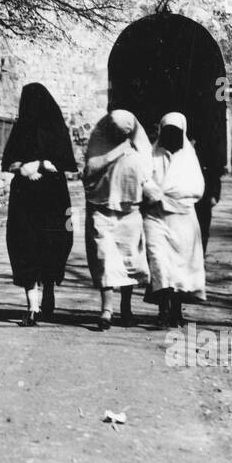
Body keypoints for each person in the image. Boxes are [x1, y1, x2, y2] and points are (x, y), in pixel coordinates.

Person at [2, 83, 77, 326]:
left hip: (51, 196)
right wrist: (22, 167)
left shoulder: (56, 130)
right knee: (25, 245)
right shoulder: (20, 129)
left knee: (53, 241)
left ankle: (49, 290)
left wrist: (40, 163)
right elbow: (8, 162)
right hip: (26, 196)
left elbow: (61, 163)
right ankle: (32, 307)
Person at [82, 109, 152, 331]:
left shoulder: (141, 150)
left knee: (128, 262)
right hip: (101, 210)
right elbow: (89, 171)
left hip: (130, 213)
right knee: (105, 260)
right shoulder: (99, 144)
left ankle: (126, 308)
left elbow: (147, 177)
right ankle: (106, 310)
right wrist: (117, 153)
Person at [143, 112, 207, 326]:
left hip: (183, 220)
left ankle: (176, 310)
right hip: (156, 217)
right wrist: (155, 194)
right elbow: (143, 179)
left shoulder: (189, 158)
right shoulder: (151, 154)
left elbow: (195, 189)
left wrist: (165, 194)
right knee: (159, 263)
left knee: (180, 268)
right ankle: (163, 310)